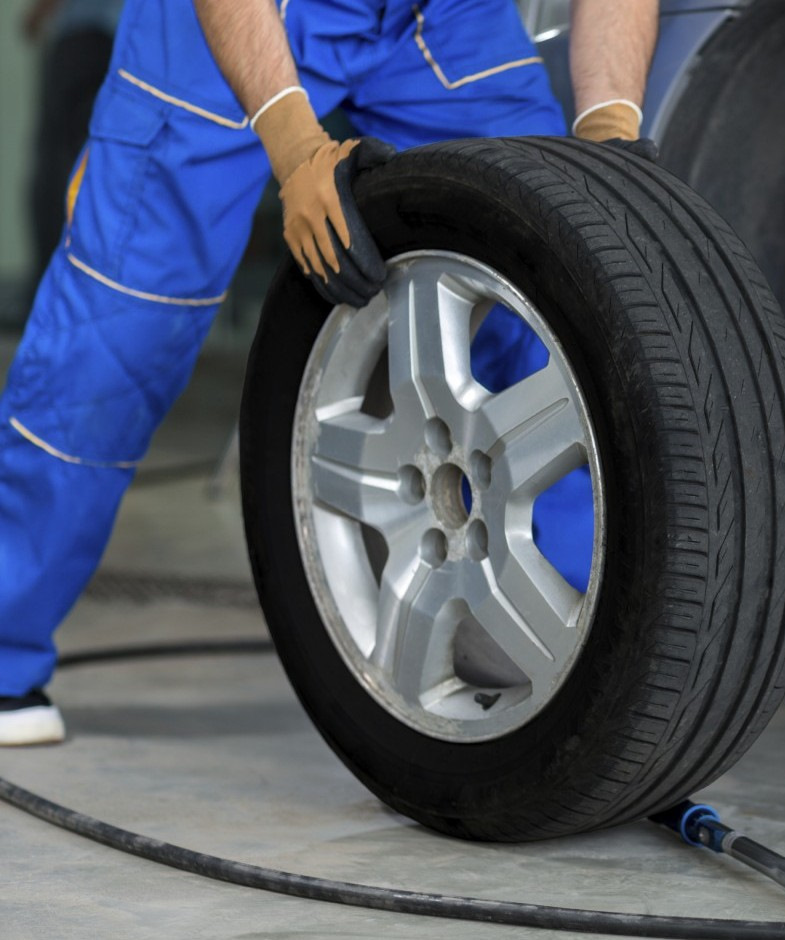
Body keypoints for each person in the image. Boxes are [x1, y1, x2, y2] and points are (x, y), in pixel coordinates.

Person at [0, 0, 658, 746]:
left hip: (438, 17)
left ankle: (595, 643)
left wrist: (608, 128)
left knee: (556, 247)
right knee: (122, 330)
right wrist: (294, 148)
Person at [22, 0, 125, 302]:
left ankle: (59, 289)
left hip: (83, 42)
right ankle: (85, 287)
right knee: (91, 164)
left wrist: (38, 14)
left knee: (61, 167)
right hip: (117, 46)